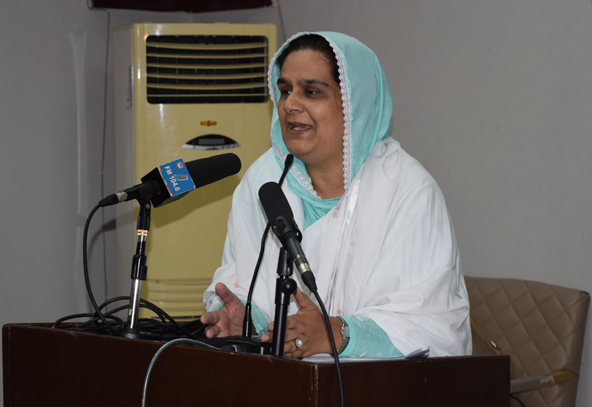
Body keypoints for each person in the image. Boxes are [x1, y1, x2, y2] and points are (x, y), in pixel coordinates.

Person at [201, 32, 471, 359]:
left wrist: (338, 334)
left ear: (354, 104)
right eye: (285, 90)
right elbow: (245, 280)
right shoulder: (264, 180)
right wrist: (247, 321)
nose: (290, 105)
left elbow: (430, 326)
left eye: (311, 91)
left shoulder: (407, 189)